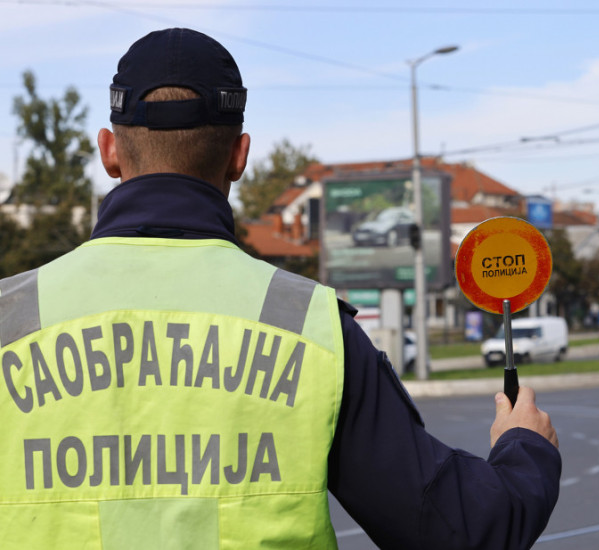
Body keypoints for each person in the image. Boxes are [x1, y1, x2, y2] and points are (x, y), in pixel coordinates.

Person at [0, 28, 560, 549]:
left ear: (109, 151)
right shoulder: (312, 328)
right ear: (241, 156)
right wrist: (523, 446)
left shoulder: (11, 318)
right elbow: (461, 529)